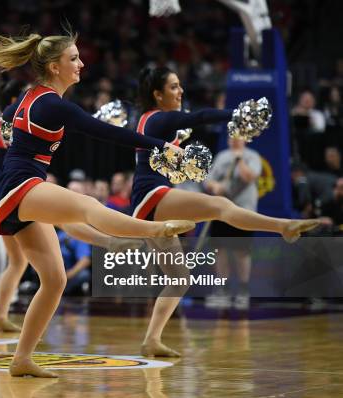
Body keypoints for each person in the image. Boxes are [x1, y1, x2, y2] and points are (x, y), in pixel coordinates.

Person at [0, 29, 195, 377]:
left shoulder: (31, 98)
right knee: (87, 206)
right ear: (55, 66)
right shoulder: (51, 103)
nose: (81, 63)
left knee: (55, 280)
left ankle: (22, 359)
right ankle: (155, 229)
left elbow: (12, 117)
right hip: (21, 185)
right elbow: (107, 133)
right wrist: (160, 146)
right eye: (73, 58)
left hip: (16, 185)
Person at [130, 66, 321, 357]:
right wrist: (233, 114)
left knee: (179, 278)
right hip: (152, 197)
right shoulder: (157, 118)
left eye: (180, 85)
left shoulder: (155, 120)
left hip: (149, 202)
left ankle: (151, 340)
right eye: (173, 87)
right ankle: (282, 226)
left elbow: (188, 125)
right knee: (220, 207)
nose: (180, 91)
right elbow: (201, 116)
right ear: (157, 95)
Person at [204, 137, 262, 309]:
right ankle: (223, 289)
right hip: (221, 211)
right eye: (231, 137)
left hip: (243, 211)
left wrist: (239, 160)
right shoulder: (221, 156)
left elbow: (249, 176)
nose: (234, 140)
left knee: (241, 251)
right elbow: (208, 180)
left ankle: (243, 290)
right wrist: (215, 187)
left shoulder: (252, 156)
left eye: (238, 137)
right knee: (219, 250)